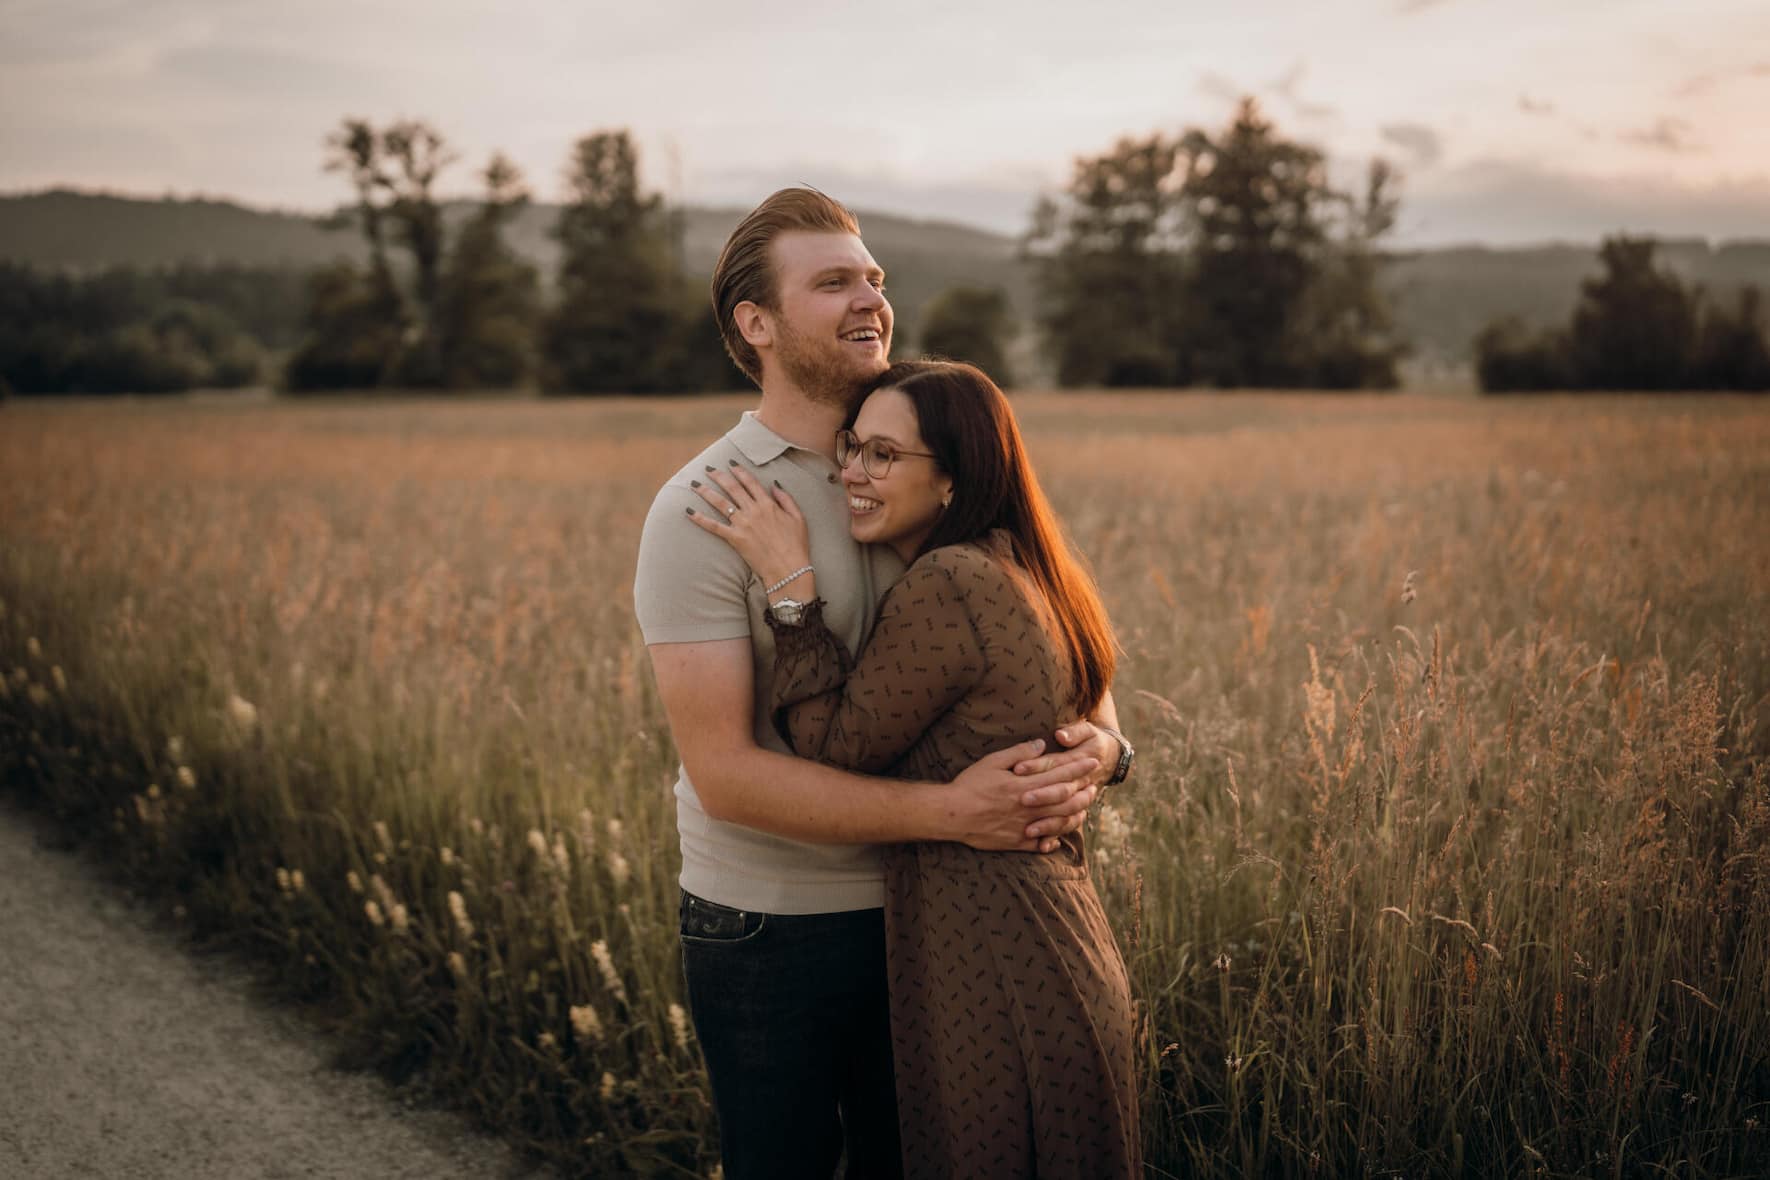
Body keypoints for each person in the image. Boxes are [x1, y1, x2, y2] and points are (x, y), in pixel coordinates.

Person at [632, 189, 1132, 1179]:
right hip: (772, 924)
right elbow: (726, 775)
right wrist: (954, 814)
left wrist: (1108, 747)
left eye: (874, 278)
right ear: (756, 323)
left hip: (938, 919)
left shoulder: (930, 451)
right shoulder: (704, 508)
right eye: (833, 282)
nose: (870, 297)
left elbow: (1057, 633)